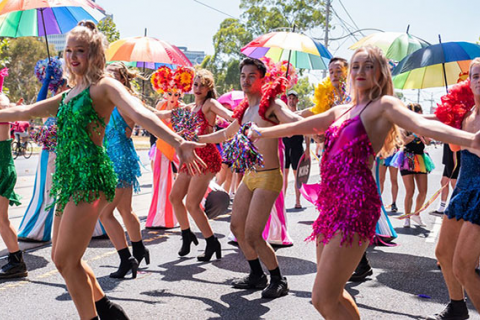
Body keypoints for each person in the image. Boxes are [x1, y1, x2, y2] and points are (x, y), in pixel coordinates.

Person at [248, 46, 480, 318]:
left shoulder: (384, 105)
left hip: (355, 206)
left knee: (322, 298)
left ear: (380, 73)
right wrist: (261, 130)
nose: (360, 71)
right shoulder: (342, 110)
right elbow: (303, 125)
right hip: (330, 204)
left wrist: (471, 140)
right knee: (330, 294)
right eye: (355, 66)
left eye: (368, 66)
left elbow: (420, 124)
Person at [0, 21, 205, 320]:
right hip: (69, 180)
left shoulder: (104, 87)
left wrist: (176, 140)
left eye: (79, 50)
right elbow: (25, 111)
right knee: (61, 260)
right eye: (68, 50)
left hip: (91, 178)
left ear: (94, 53)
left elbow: (139, 111)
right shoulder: (70, 93)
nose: (72, 57)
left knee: (67, 261)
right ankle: (108, 310)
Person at [199, 58, 303, 299]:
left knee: (254, 233)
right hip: (250, 176)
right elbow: (226, 133)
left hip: (268, 177)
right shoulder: (244, 110)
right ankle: (257, 275)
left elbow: (296, 124)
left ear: (262, 79)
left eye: (251, 76)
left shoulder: (273, 105)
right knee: (237, 227)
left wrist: (313, 127)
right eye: (243, 76)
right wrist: (197, 141)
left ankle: (279, 279)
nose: (245, 80)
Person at [427, 59, 480, 320]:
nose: (479, 79)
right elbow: (430, 121)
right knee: (444, 253)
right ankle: (457, 307)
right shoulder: (466, 116)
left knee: (464, 267)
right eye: (475, 76)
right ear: (468, 82)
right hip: (463, 188)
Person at [169, 69, 233, 261]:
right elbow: (164, 115)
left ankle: (211, 241)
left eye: (202, 85)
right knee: (175, 197)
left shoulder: (209, 104)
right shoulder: (190, 107)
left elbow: (229, 115)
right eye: (195, 84)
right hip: (190, 157)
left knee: (192, 203)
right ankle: (186, 234)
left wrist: (245, 115)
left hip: (206, 158)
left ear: (208, 88)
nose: (197, 88)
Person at [98, 62, 150, 279]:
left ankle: (125, 258)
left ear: (121, 79)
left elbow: (150, 117)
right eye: (105, 73)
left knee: (104, 213)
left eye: (112, 74)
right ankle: (138, 249)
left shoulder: (126, 102)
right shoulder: (107, 101)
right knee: (125, 210)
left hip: (119, 162)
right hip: (112, 159)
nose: (106, 77)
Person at [18, 63, 68, 242]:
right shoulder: (52, 103)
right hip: (51, 151)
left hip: (64, 152)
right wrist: (46, 81)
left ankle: (38, 231)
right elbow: (39, 104)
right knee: (46, 191)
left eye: (60, 85)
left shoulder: (67, 99)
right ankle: (38, 230)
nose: (61, 88)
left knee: (65, 192)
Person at [391, 103, 433, 228]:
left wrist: (426, 136)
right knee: (410, 190)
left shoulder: (423, 125)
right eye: (417, 113)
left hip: (420, 158)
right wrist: (415, 134)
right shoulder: (403, 125)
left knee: (423, 191)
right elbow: (403, 140)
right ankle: (407, 217)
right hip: (407, 158)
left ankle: (416, 213)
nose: (419, 116)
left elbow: (429, 142)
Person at [0, 92, 26, 279]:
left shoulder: (2, 99)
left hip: (1, 165)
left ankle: (16, 262)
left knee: (1, 219)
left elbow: (6, 108)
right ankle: (16, 260)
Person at [283, 90, 310, 209]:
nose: (291, 100)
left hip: (297, 147)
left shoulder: (301, 115)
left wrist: (308, 148)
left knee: (297, 176)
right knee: (283, 175)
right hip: (285, 146)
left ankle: (297, 201)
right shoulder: (283, 114)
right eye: (290, 98)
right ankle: (281, 202)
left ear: (297, 100)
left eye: (294, 98)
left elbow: (307, 132)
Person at [429, 143, 461, 217]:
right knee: (444, 181)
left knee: (454, 183)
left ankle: (458, 208)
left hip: (453, 158)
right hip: (448, 158)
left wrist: (455, 162)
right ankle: (441, 208)